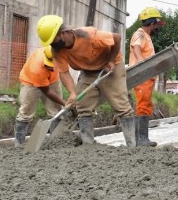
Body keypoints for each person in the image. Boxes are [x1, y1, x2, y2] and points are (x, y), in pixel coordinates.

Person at [36, 15, 137, 147]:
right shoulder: (56, 50)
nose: (52, 44)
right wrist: (72, 93)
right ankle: (88, 146)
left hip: (110, 67)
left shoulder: (89, 35)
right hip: (88, 71)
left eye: (53, 40)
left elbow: (117, 38)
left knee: (121, 105)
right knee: (82, 106)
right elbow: (64, 73)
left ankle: (132, 146)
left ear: (64, 32)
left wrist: (111, 60)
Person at [13, 45, 71, 147]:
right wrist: (64, 102)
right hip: (30, 82)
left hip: (53, 80)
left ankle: (56, 142)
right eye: (48, 65)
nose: (50, 67)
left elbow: (64, 73)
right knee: (26, 111)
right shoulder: (37, 68)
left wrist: (71, 94)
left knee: (57, 111)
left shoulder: (59, 54)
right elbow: (47, 92)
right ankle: (19, 144)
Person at [128, 7, 166, 147]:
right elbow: (136, 46)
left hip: (147, 78)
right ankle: (141, 139)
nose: (158, 27)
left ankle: (142, 138)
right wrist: (139, 61)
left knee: (146, 105)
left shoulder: (146, 36)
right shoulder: (140, 34)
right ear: (152, 22)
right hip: (142, 76)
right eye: (157, 24)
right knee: (142, 106)